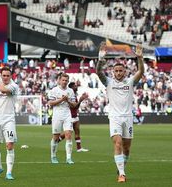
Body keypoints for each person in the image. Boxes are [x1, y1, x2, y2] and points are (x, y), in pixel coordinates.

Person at [96, 44, 144, 183]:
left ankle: (121, 167)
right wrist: (100, 59)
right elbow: (99, 72)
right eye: (116, 71)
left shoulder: (130, 82)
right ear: (113, 72)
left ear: (125, 71)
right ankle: (122, 174)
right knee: (117, 143)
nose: (118, 73)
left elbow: (140, 72)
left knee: (127, 148)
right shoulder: (109, 82)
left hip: (128, 118)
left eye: (120, 71)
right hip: (115, 118)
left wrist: (139, 58)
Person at [47, 73, 78, 164]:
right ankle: (53, 156)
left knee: (68, 135)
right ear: (59, 80)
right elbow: (50, 103)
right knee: (56, 137)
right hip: (57, 114)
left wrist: (67, 100)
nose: (64, 82)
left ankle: (69, 158)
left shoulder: (70, 91)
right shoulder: (54, 90)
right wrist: (62, 99)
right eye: (63, 80)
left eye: (66, 80)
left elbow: (74, 105)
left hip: (67, 114)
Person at [59, 82, 89, 152]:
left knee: (77, 131)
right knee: (68, 133)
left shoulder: (74, 95)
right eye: (75, 86)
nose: (76, 87)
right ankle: (56, 141)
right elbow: (73, 106)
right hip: (70, 116)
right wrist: (80, 100)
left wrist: (80, 101)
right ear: (71, 88)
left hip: (75, 115)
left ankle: (79, 148)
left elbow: (76, 107)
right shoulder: (69, 95)